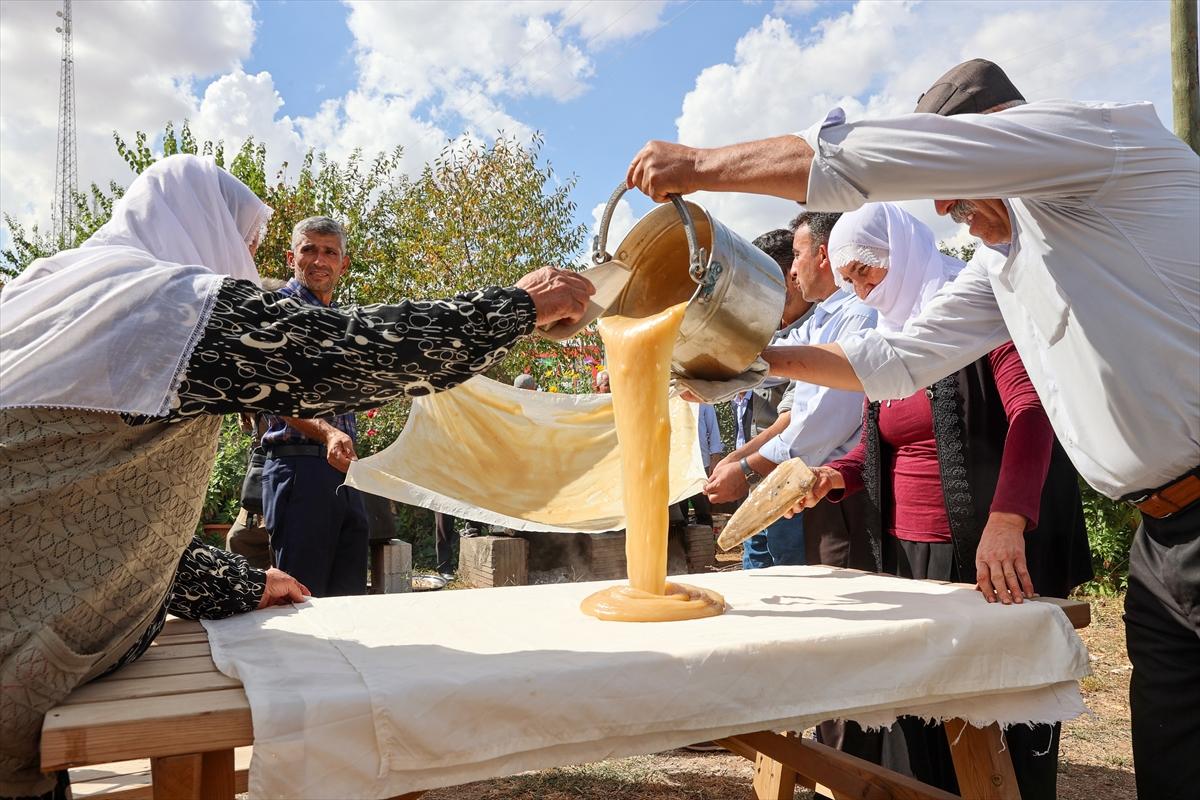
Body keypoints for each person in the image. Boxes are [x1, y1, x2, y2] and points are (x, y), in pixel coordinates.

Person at [626, 58, 1199, 799]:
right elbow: (897, 360)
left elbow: (867, 159)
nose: (955, 214)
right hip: (1165, 538)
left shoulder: (1100, 142)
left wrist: (702, 165)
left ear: (992, 136)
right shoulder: (1006, 264)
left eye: (958, 196)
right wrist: (751, 358)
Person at [0, 154, 593, 799]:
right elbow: (347, 353)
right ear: (200, 227)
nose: (246, 268)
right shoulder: (160, 305)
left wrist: (232, 582)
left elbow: (85, 519)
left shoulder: (49, 298)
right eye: (246, 244)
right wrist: (515, 308)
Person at [801, 202, 1092, 798]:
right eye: (849, 280)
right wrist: (836, 477)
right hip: (905, 555)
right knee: (920, 717)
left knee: (987, 711)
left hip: (980, 550)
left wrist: (1007, 521)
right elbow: (886, 444)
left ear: (900, 255)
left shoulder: (975, 316)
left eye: (866, 273)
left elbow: (1031, 412)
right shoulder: (888, 337)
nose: (860, 291)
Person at [706, 213, 876, 570]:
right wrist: (707, 373)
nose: (793, 272)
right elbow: (768, 361)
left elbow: (818, 423)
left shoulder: (858, 317)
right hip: (813, 486)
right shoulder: (821, 319)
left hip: (841, 489)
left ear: (824, 256)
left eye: (797, 255)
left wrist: (748, 468)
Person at [259, 217, 371, 597]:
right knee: (301, 602)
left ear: (344, 262)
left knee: (349, 603)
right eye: (309, 249)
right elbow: (275, 394)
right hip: (298, 470)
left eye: (329, 252)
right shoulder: (276, 310)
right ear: (292, 257)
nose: (319, 260)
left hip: (342, 472)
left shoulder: (342, 320)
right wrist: (327, 432)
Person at [675, 402, 723, 527]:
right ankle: (682, 544)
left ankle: (706, 543)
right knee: (679, 511)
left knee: (702, 507)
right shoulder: (670, 396)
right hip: (678, 465)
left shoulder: (702, 397)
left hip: (700, 463)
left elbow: (713, 429)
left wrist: (715, 456)